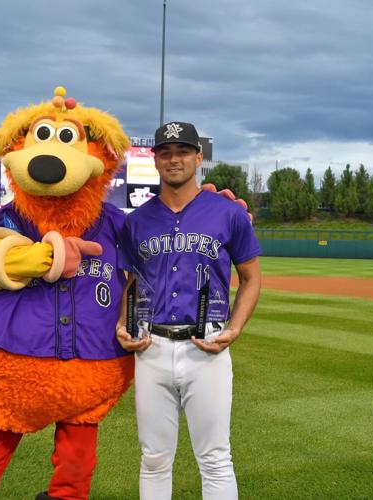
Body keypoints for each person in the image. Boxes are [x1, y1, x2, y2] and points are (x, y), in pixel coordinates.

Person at [116, 121, 261, 499]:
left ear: (199, 157)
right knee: (153, 458)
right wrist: (122, 323)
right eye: (165, 152)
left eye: (182, 151)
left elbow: (251, 278)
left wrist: (235, 326)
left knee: (214, 457)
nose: (174, 159)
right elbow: (131, 281)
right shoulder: (137, 222)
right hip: (152, 348)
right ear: (155, 159)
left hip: (207, 346)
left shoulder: (227, 214)